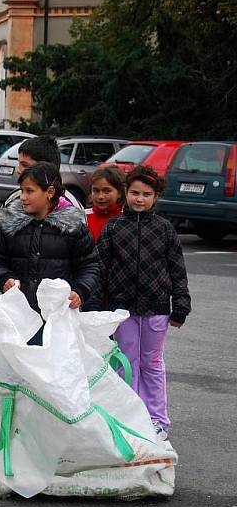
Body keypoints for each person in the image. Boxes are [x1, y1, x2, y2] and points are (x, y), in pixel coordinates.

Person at [96, 165, 191, 441]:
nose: (139, 199)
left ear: (155, 197)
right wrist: (96, 306)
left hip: (156, 308)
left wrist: (180, 304)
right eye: (135, 193)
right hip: (121, 308)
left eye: (146, 194)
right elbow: (101, 268)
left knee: (152, 362)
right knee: (126, 362)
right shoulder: (114, 228)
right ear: (126, 193)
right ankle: (127, 416)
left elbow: (177, 270)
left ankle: (157, 419)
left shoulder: (164, 229)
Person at [0, 163, 100, 344]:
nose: (22, 197)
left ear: (50, 192)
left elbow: (90, 266)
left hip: (57, 321)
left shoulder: (74, 228)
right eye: (22, 191)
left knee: (52, 369)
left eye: (29, 191)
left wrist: (80, 291)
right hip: (17, 317)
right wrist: (3, 278)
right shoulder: (7, 223)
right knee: (15, 368)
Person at [0, 136, 85, 296]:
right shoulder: (14, 199)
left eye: (25, 165)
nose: (18, 170)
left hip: (56, 304)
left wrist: (79, 291)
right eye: (19, 163)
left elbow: (84, 261)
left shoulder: (71, 208)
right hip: (15, 299)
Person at [86, 165, 126, 242]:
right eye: (96, 190)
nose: (100, 196)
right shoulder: (83, 217)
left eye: (107, 191)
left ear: (120, 193)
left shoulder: (127, 218)